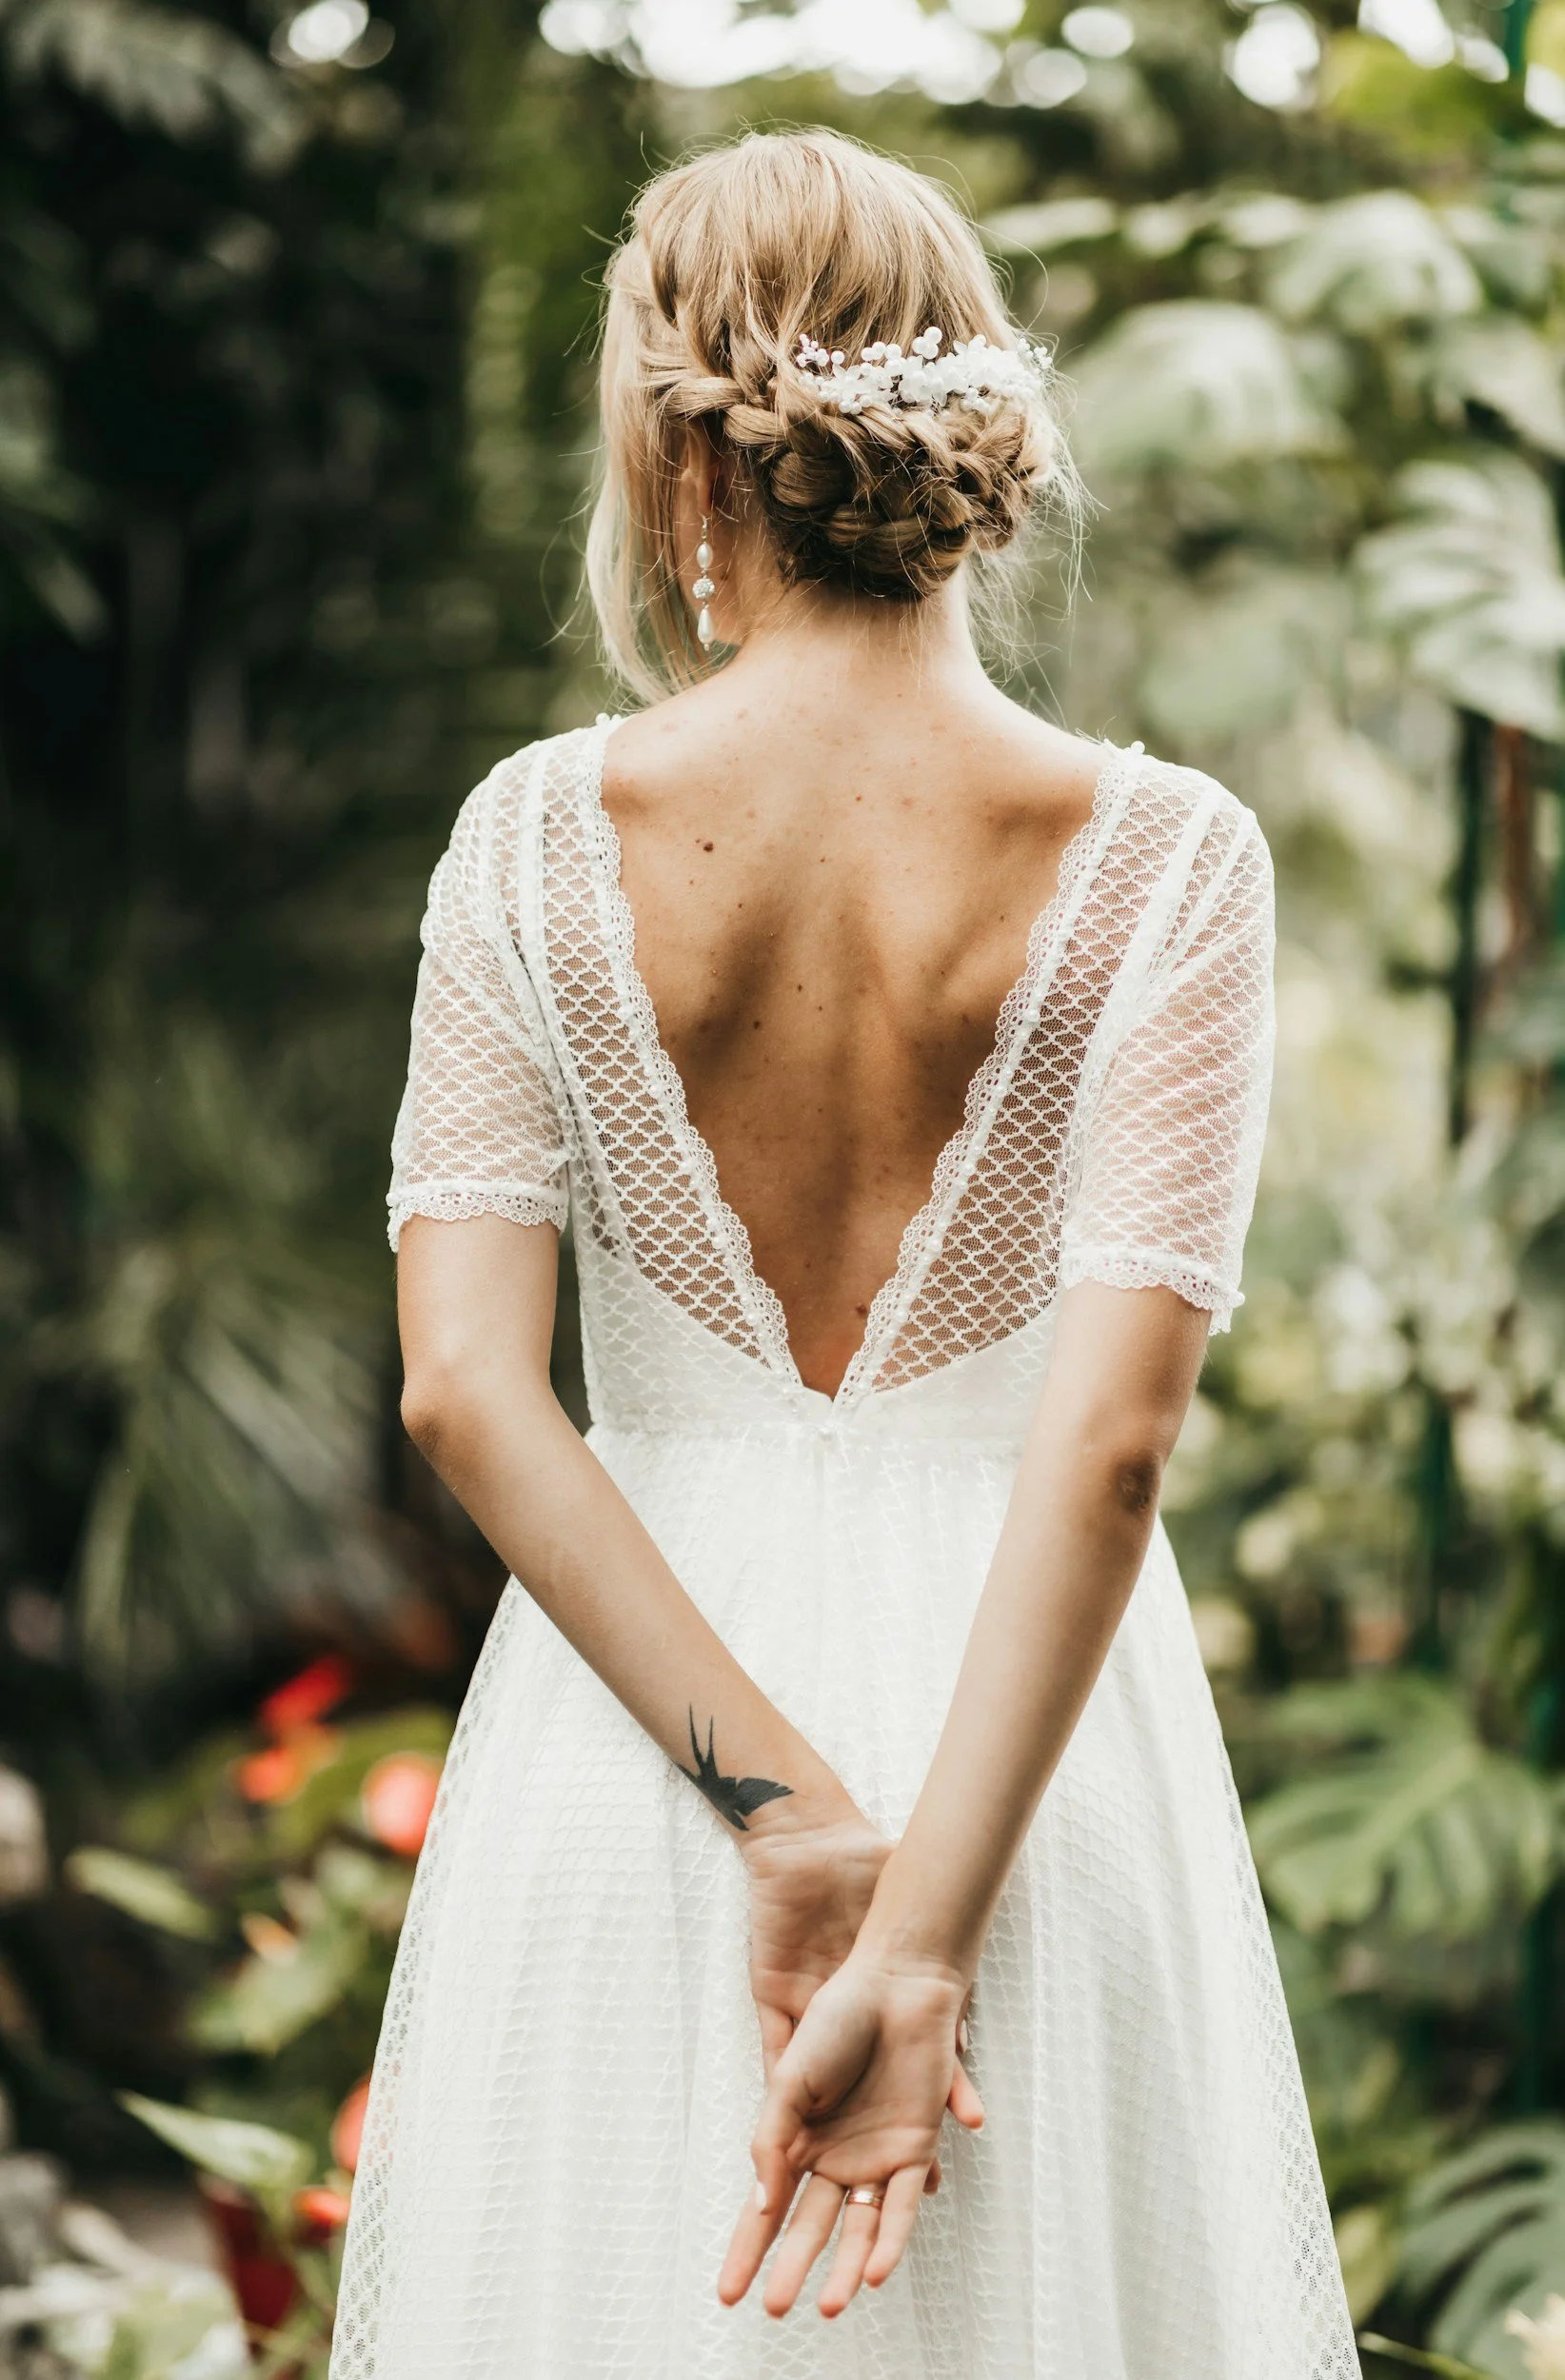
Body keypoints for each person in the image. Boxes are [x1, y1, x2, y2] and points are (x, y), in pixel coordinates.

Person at [329, 128, 1358, 2380]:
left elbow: (465, 1387)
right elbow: (1107, 1451)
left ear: (674, 455)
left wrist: (790, 1825)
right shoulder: (1177, 861)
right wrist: (928, 1930)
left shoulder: (526, 843)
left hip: (649, 1790)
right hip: (1042, 1803)